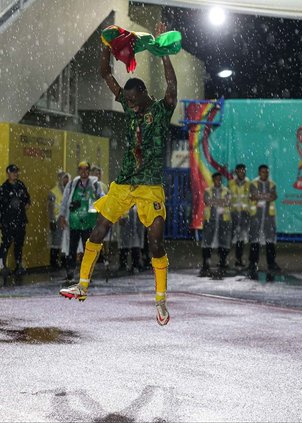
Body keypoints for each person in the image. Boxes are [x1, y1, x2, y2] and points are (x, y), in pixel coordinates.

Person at [59, 22, 177, 327]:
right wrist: (106, 45)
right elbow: (105, 74)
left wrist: (163, 52)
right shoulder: (129, 102)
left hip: (150, 186)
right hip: (124, 183)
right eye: (129, 101)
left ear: (143, 94)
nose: (131, 106)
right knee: (97, 231)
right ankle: (82, 286)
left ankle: (161, 301)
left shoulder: (161, 111)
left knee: (155, 243)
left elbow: (171, 87)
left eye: (135, 100)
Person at [59, 161, 104, 281]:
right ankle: (70, 272)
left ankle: (86, 273)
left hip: (89, 223)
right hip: (74, 222)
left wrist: (105, 213)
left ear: (89, 171)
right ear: (78, 171)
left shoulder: (95, 185)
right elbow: (64, 201)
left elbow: (102, 198)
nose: (83, 172)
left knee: (88, 250)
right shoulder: (72, 185)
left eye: (86, 170)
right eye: (81, 170)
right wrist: (62, 216)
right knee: (72, 249)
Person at [247, 164, 281, 279]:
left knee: (270, 241)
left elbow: (273, 197)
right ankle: (253, 264)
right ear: (259, 172)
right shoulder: (253, 183)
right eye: (262, 172)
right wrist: (264, 196)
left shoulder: (272, 184)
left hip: (268, 218)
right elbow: (253, 196)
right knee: (254, 241)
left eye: (266, 172)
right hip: (256, 217)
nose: (264, 174)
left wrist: (260, 196)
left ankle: (271, 263)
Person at [0, 164, 31, 278]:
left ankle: (18, 265)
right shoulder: (4, 188)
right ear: (8, 173)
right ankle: (2, 265)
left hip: (20, 220)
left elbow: (27, 199)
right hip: (8, 221)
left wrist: (24, 204)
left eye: (16, 172)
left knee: (19, 243)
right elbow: (2, 206)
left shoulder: (21, 185)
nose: (15, 174)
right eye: (13, 172)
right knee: (6, 242)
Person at [199, 172, 232, 277]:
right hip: (210, 220)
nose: (219, 181)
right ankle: (206, 263)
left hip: (223, 220)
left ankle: (222, 262)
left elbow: (228, 202)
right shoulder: (208, 190)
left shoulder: (226, 190)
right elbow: (207, 201)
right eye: (217, 179)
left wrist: (215, 201)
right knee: (207, 242)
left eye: (220, 179)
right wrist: (221, 202)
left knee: (223, 242)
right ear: (213, 180)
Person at [228, 164, 250, 269]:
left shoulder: (249, 183)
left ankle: (238, 260)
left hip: (244, 214)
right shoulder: (231, 184)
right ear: (236, 172)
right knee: (229, 237)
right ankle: (223, 260)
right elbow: (227, 198)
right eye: (240, 171)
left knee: (241, 239)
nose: (242, 172)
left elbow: (251, 198)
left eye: (243, 171)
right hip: (233, 214)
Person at [48, 170, 71, 269]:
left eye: (67, 178)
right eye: (63, 178)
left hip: (68, 220)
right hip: (57, 219)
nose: (65, 180)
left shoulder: (70, 191)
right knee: (56, 241)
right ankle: (54, 262)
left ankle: (64, 261)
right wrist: (52, 220)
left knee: (65, 241)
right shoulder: (53, 192)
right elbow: (50, 207)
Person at [117, 205, 144, 274]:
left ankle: (134, 265)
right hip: (127, 211)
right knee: (126, 244)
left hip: (134, 214)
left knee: (134, 243)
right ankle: (127, 265)